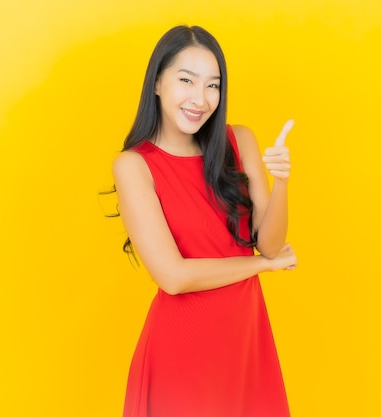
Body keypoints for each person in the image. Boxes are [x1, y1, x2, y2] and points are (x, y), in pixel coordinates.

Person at [111, 25, 297, 417]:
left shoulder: (239, 140)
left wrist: (280, 182)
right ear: (157, 82)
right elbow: (173, 277)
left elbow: (272, 244)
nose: (201, 99)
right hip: (182, 352)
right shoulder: (134, 166)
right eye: (186, 81)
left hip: (246, 343)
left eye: (213, 85)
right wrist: (263, 266)